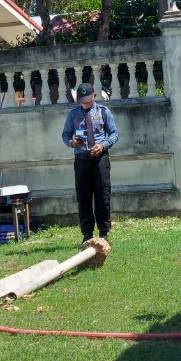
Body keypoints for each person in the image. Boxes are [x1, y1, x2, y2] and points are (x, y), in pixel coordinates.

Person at [61, 81, 118, 243]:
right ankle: (87, 234)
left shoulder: (104, 112)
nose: (85, 104)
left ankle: (104, 233)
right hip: (81, 161)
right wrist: (72, 143)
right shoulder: (73, 115)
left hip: (100, 160)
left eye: (88, 100)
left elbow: (114, 134)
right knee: (83, 197)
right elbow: (65, 135)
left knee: (103, 196)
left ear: (94, 96)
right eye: (82, 101)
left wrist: (103, 145)